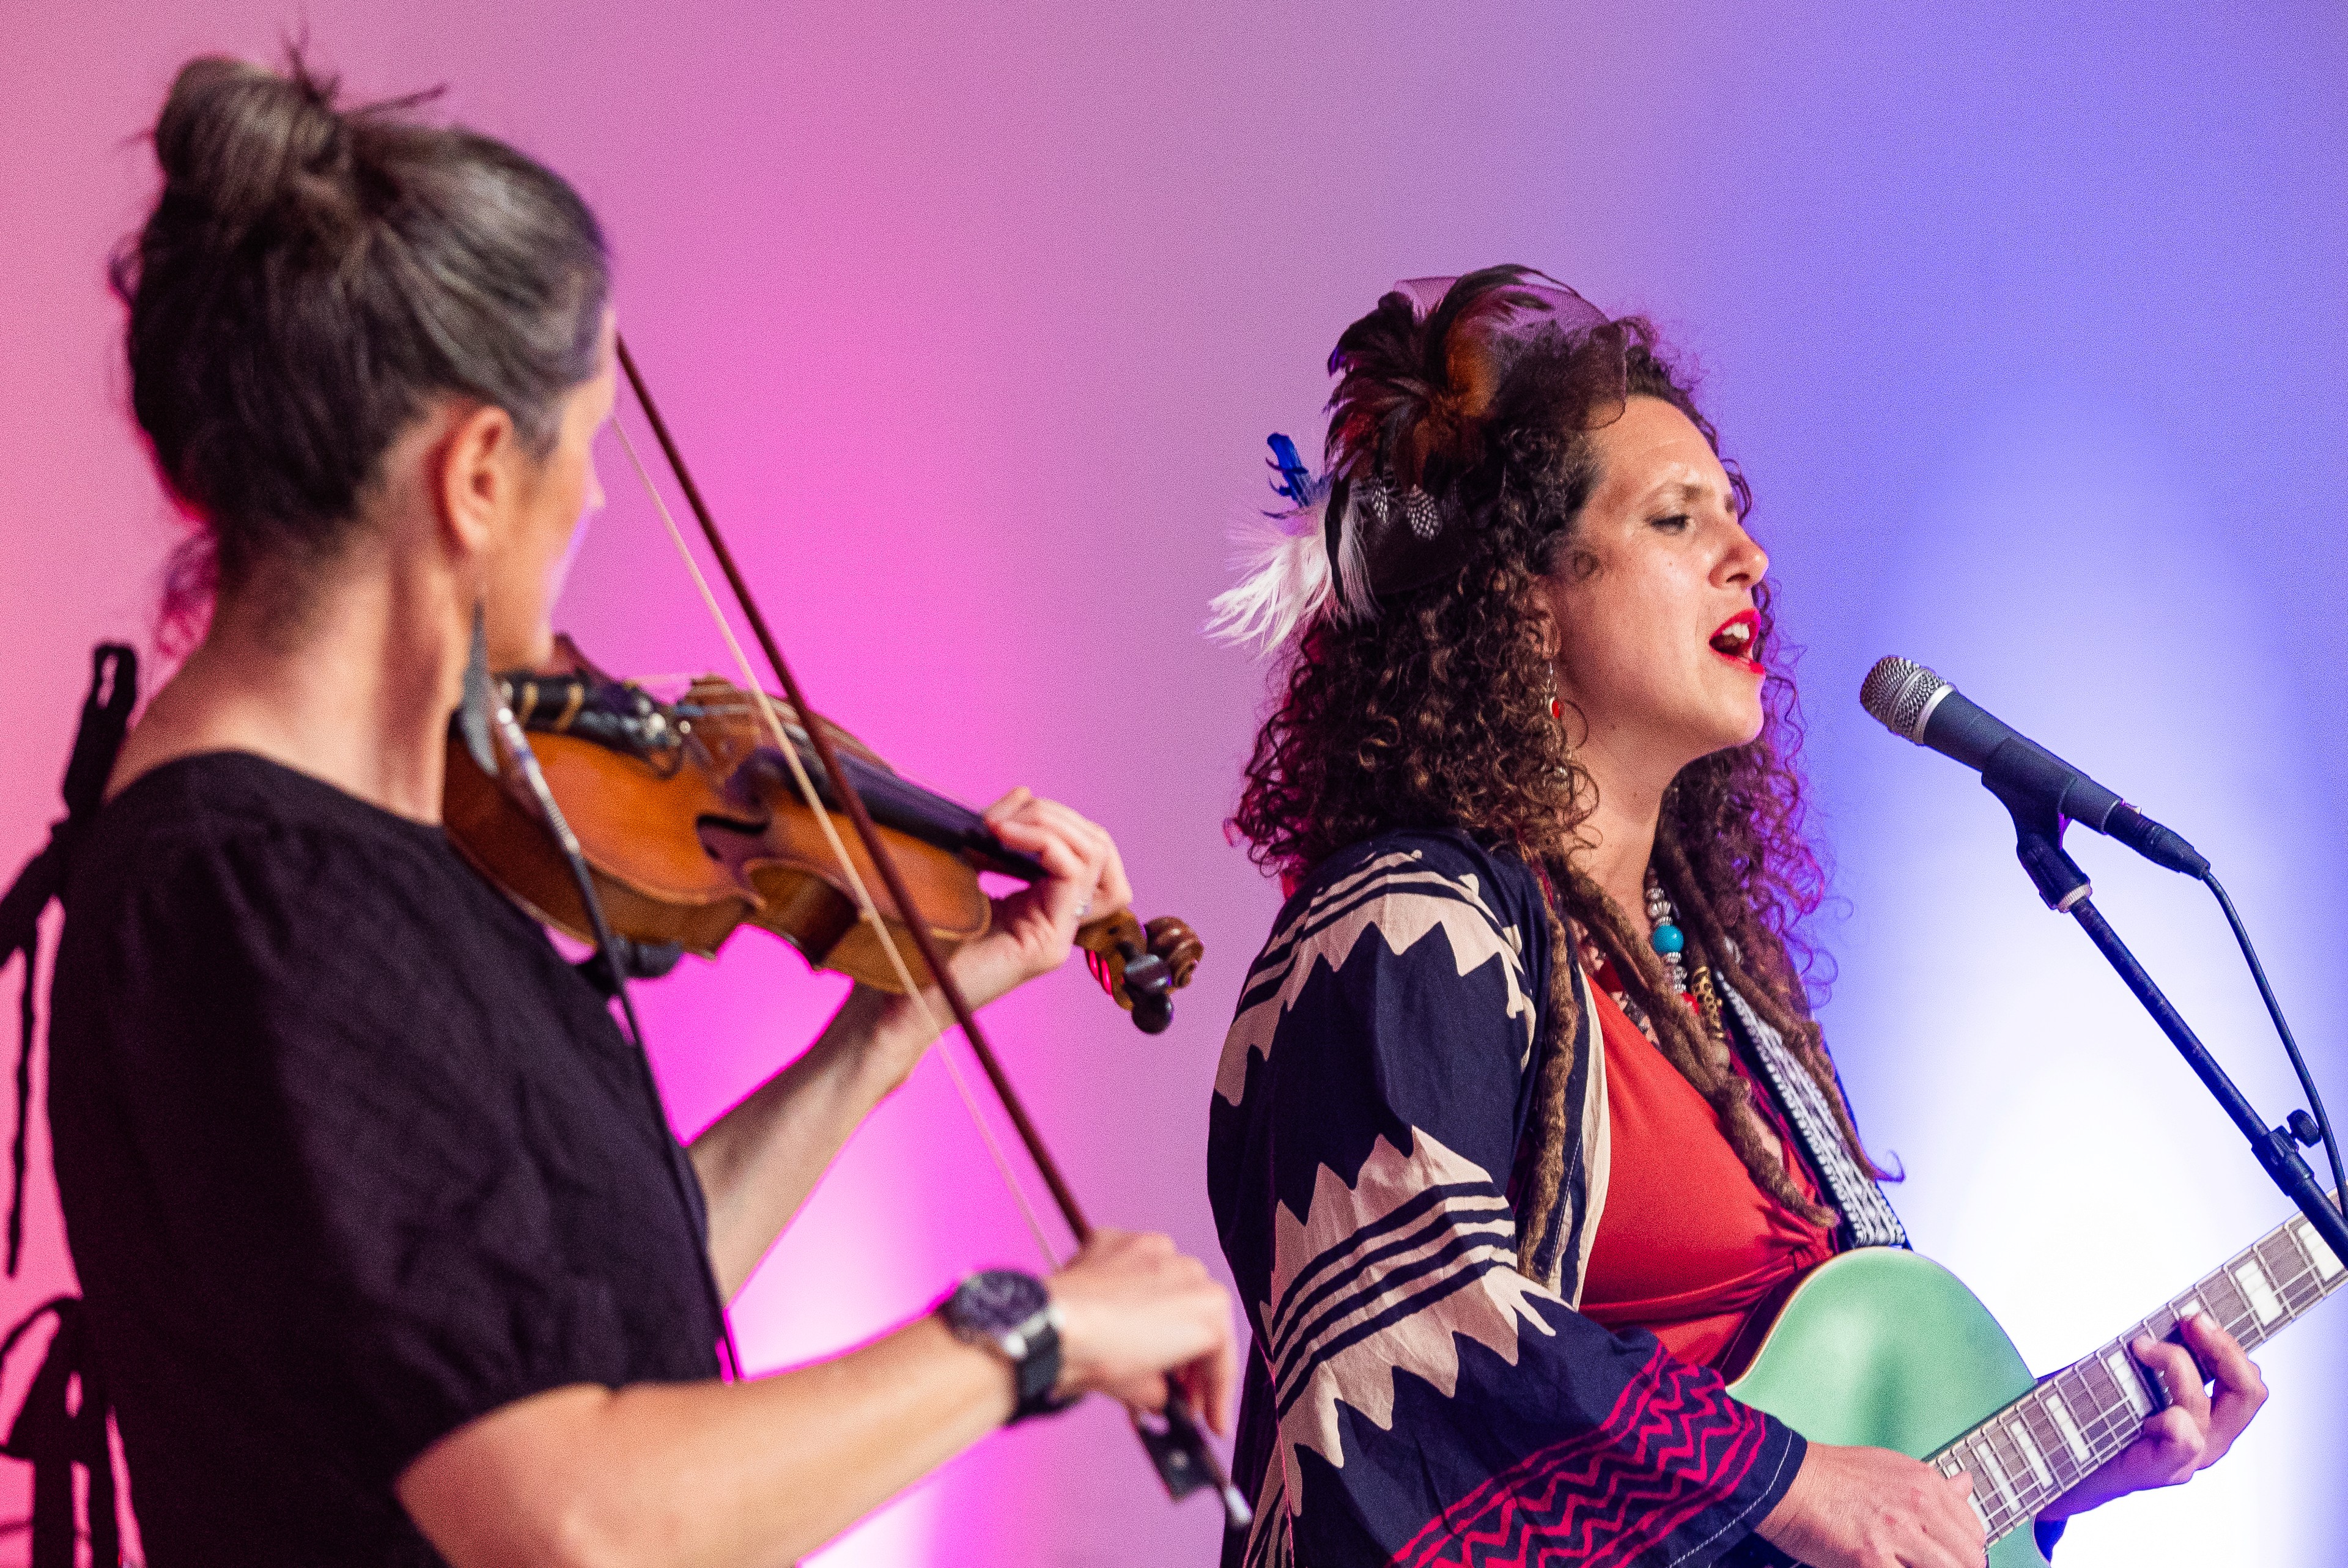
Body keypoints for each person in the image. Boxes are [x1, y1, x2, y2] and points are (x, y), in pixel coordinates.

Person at [44, 53, 1236, 1566]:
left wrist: (889, 1028)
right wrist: (1027, 1334)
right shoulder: (256, 896)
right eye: (586, 442)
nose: (598, 502)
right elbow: (567, 1513)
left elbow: (608, 1324)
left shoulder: (353, 864)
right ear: (481, 472)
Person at [1203, 267, 2265, 1567]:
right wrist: (1799, 1482)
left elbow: (1808, 1457)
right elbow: (1413, 1339)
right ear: (1523, 599)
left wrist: (2052, 1465)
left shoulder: (1716, 980)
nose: (1748, 556)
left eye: (1737, 514)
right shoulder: (1405, 927)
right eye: (1675, 518)